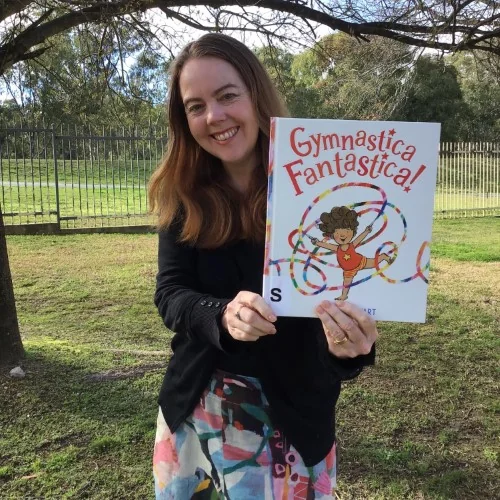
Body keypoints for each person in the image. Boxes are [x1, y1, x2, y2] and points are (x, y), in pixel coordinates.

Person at [148, 33, 377, 499]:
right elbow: (171, 293)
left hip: (289, 423)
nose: (214, 117)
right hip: (194, 413)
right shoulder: (183, 193)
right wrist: (220, 314)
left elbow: (340, 301)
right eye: (195, 106)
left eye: (227, 95)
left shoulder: (323, 193)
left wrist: (349, 347)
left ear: (256, 94)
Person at [311, 206, 394, 300]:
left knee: (375, 263)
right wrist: (317, 242)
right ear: (332, 234)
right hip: (348, 270)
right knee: (346, 282)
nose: (342, 235)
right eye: (337, 232)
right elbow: (326, 245)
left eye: (347, 231)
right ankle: (344, 296)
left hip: (360, 262)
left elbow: (359, 238)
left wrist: (366, 231)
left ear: (353, 231)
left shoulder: (352, 245)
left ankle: (383, 257)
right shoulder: (337, 248)